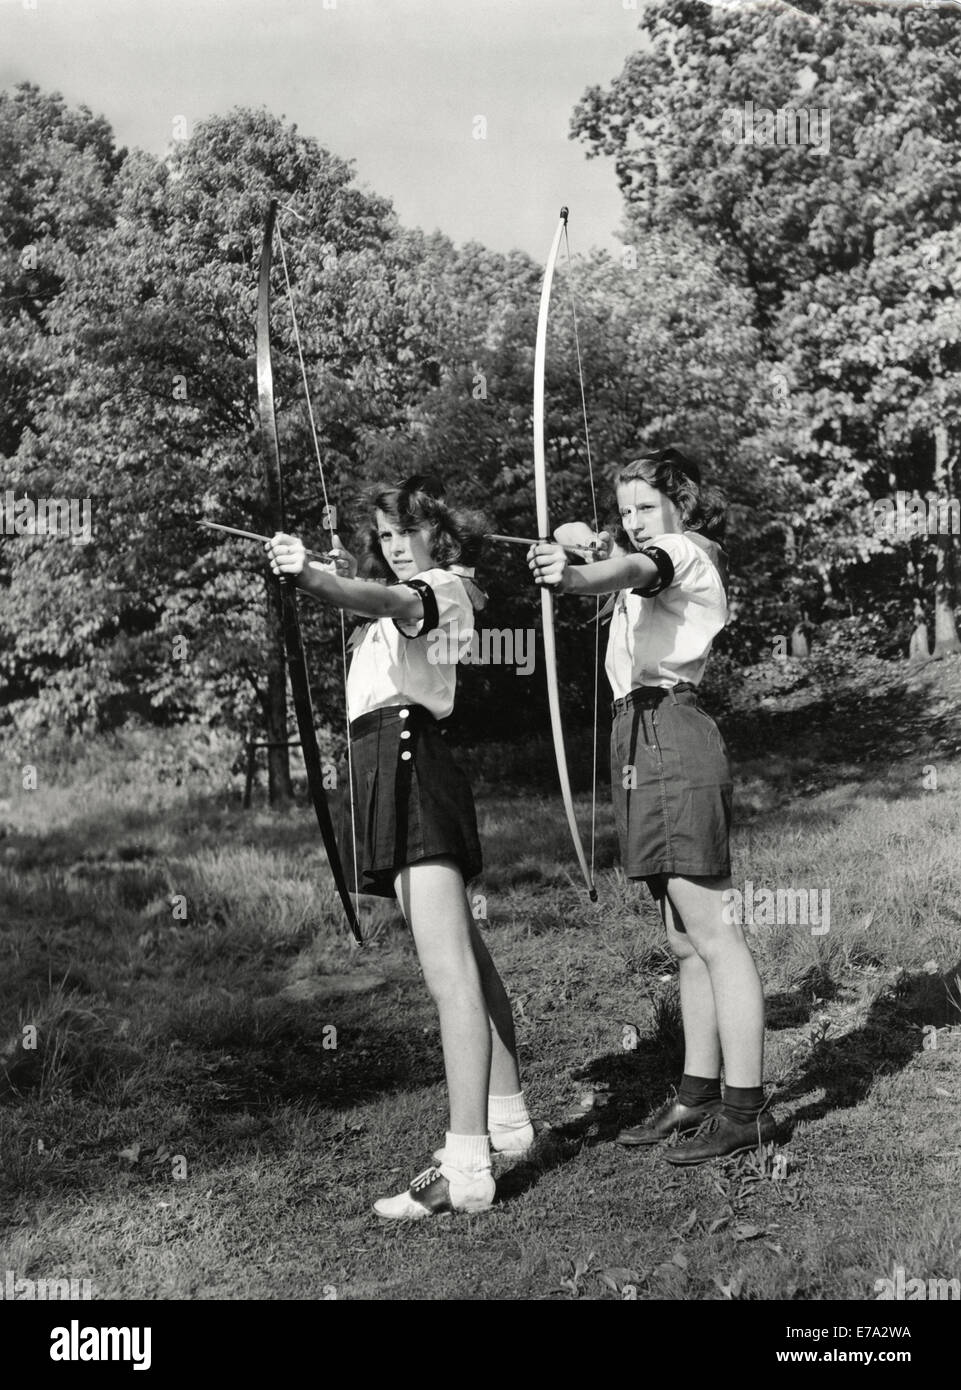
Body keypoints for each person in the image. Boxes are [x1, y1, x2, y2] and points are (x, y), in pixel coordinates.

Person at [267, 476, 533, 1217]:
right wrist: (329, 579)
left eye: (404, 533)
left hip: (413, 766)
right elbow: (376, 607)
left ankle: (467, 1163)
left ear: (435, 535)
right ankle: (506, 1122)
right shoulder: (421, 593)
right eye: (383, 536)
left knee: (448, 976)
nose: (392, 547)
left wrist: (316, 577)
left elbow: (385, 600)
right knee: (467, 959)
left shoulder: (439, 588)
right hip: (400, 767)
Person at [529, 447, 773, 1163]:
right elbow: (612, 552)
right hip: (641, 737)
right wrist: (579, 541)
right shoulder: (650, 548)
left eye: (646, 506)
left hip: (669, 734)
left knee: (717, 934)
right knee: (683, 941)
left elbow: (631, 569)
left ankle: (746, 1109)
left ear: (681, 506)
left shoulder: (682, 551)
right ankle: (696, 1096)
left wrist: (573, 575)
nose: (635, 521)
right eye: (626, 508)